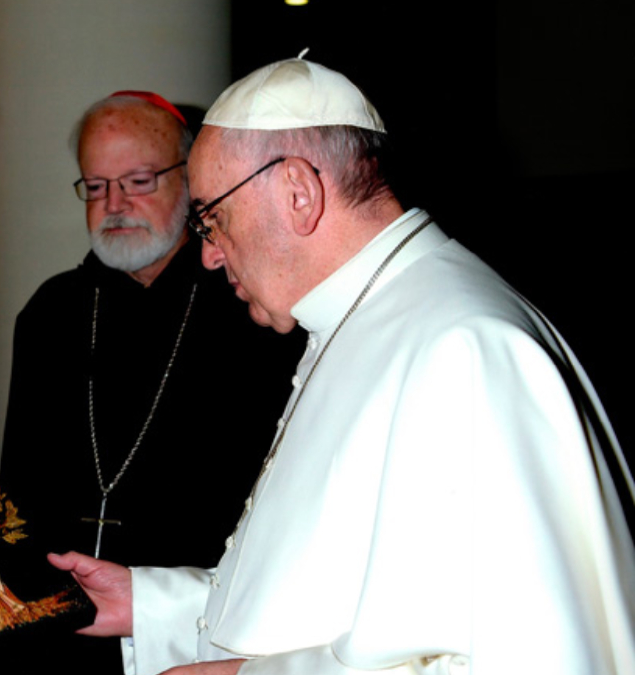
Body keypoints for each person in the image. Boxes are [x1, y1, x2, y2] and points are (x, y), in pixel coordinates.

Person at [50, 56, 635, 674]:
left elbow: (522, 657)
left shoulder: (465, 349)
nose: (211, 256)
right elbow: (343, 598)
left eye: (212, 219)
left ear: (298, 193)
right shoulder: (358, 317)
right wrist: (154, 606)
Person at [0, 92, 299, 674]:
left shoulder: (248, 306)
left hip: (199, 625)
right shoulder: (51, 310)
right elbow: (22, 481)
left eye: (137, 181)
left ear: (189, 182)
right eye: (95, 184)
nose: (114, 204)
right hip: (62, 624)